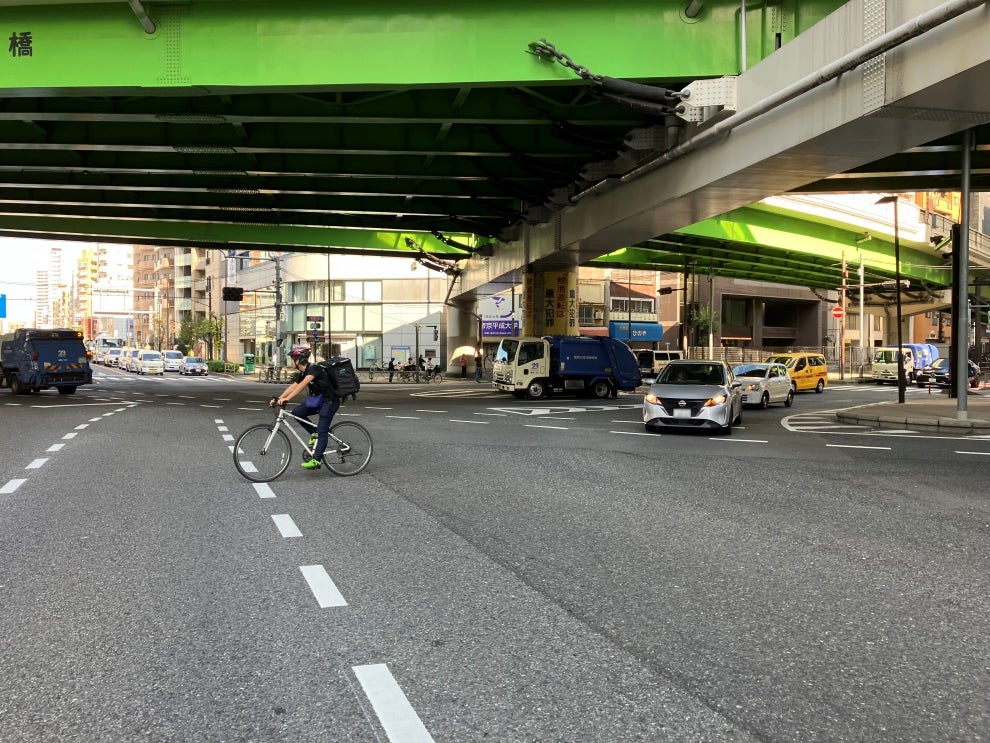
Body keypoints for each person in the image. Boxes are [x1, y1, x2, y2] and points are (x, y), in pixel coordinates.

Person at [270, 345, 340, 470]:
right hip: (319, 400)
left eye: (292, 359)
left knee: (322, 431)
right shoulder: (304, 371)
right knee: (297, 412)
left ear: (299, 360)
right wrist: (279, 398)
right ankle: (314, 433)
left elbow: (302, 385)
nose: (291, 361)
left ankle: (316, 460)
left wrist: (288, 398)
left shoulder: (314, 369)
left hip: (330, 401)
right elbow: (294, 385)